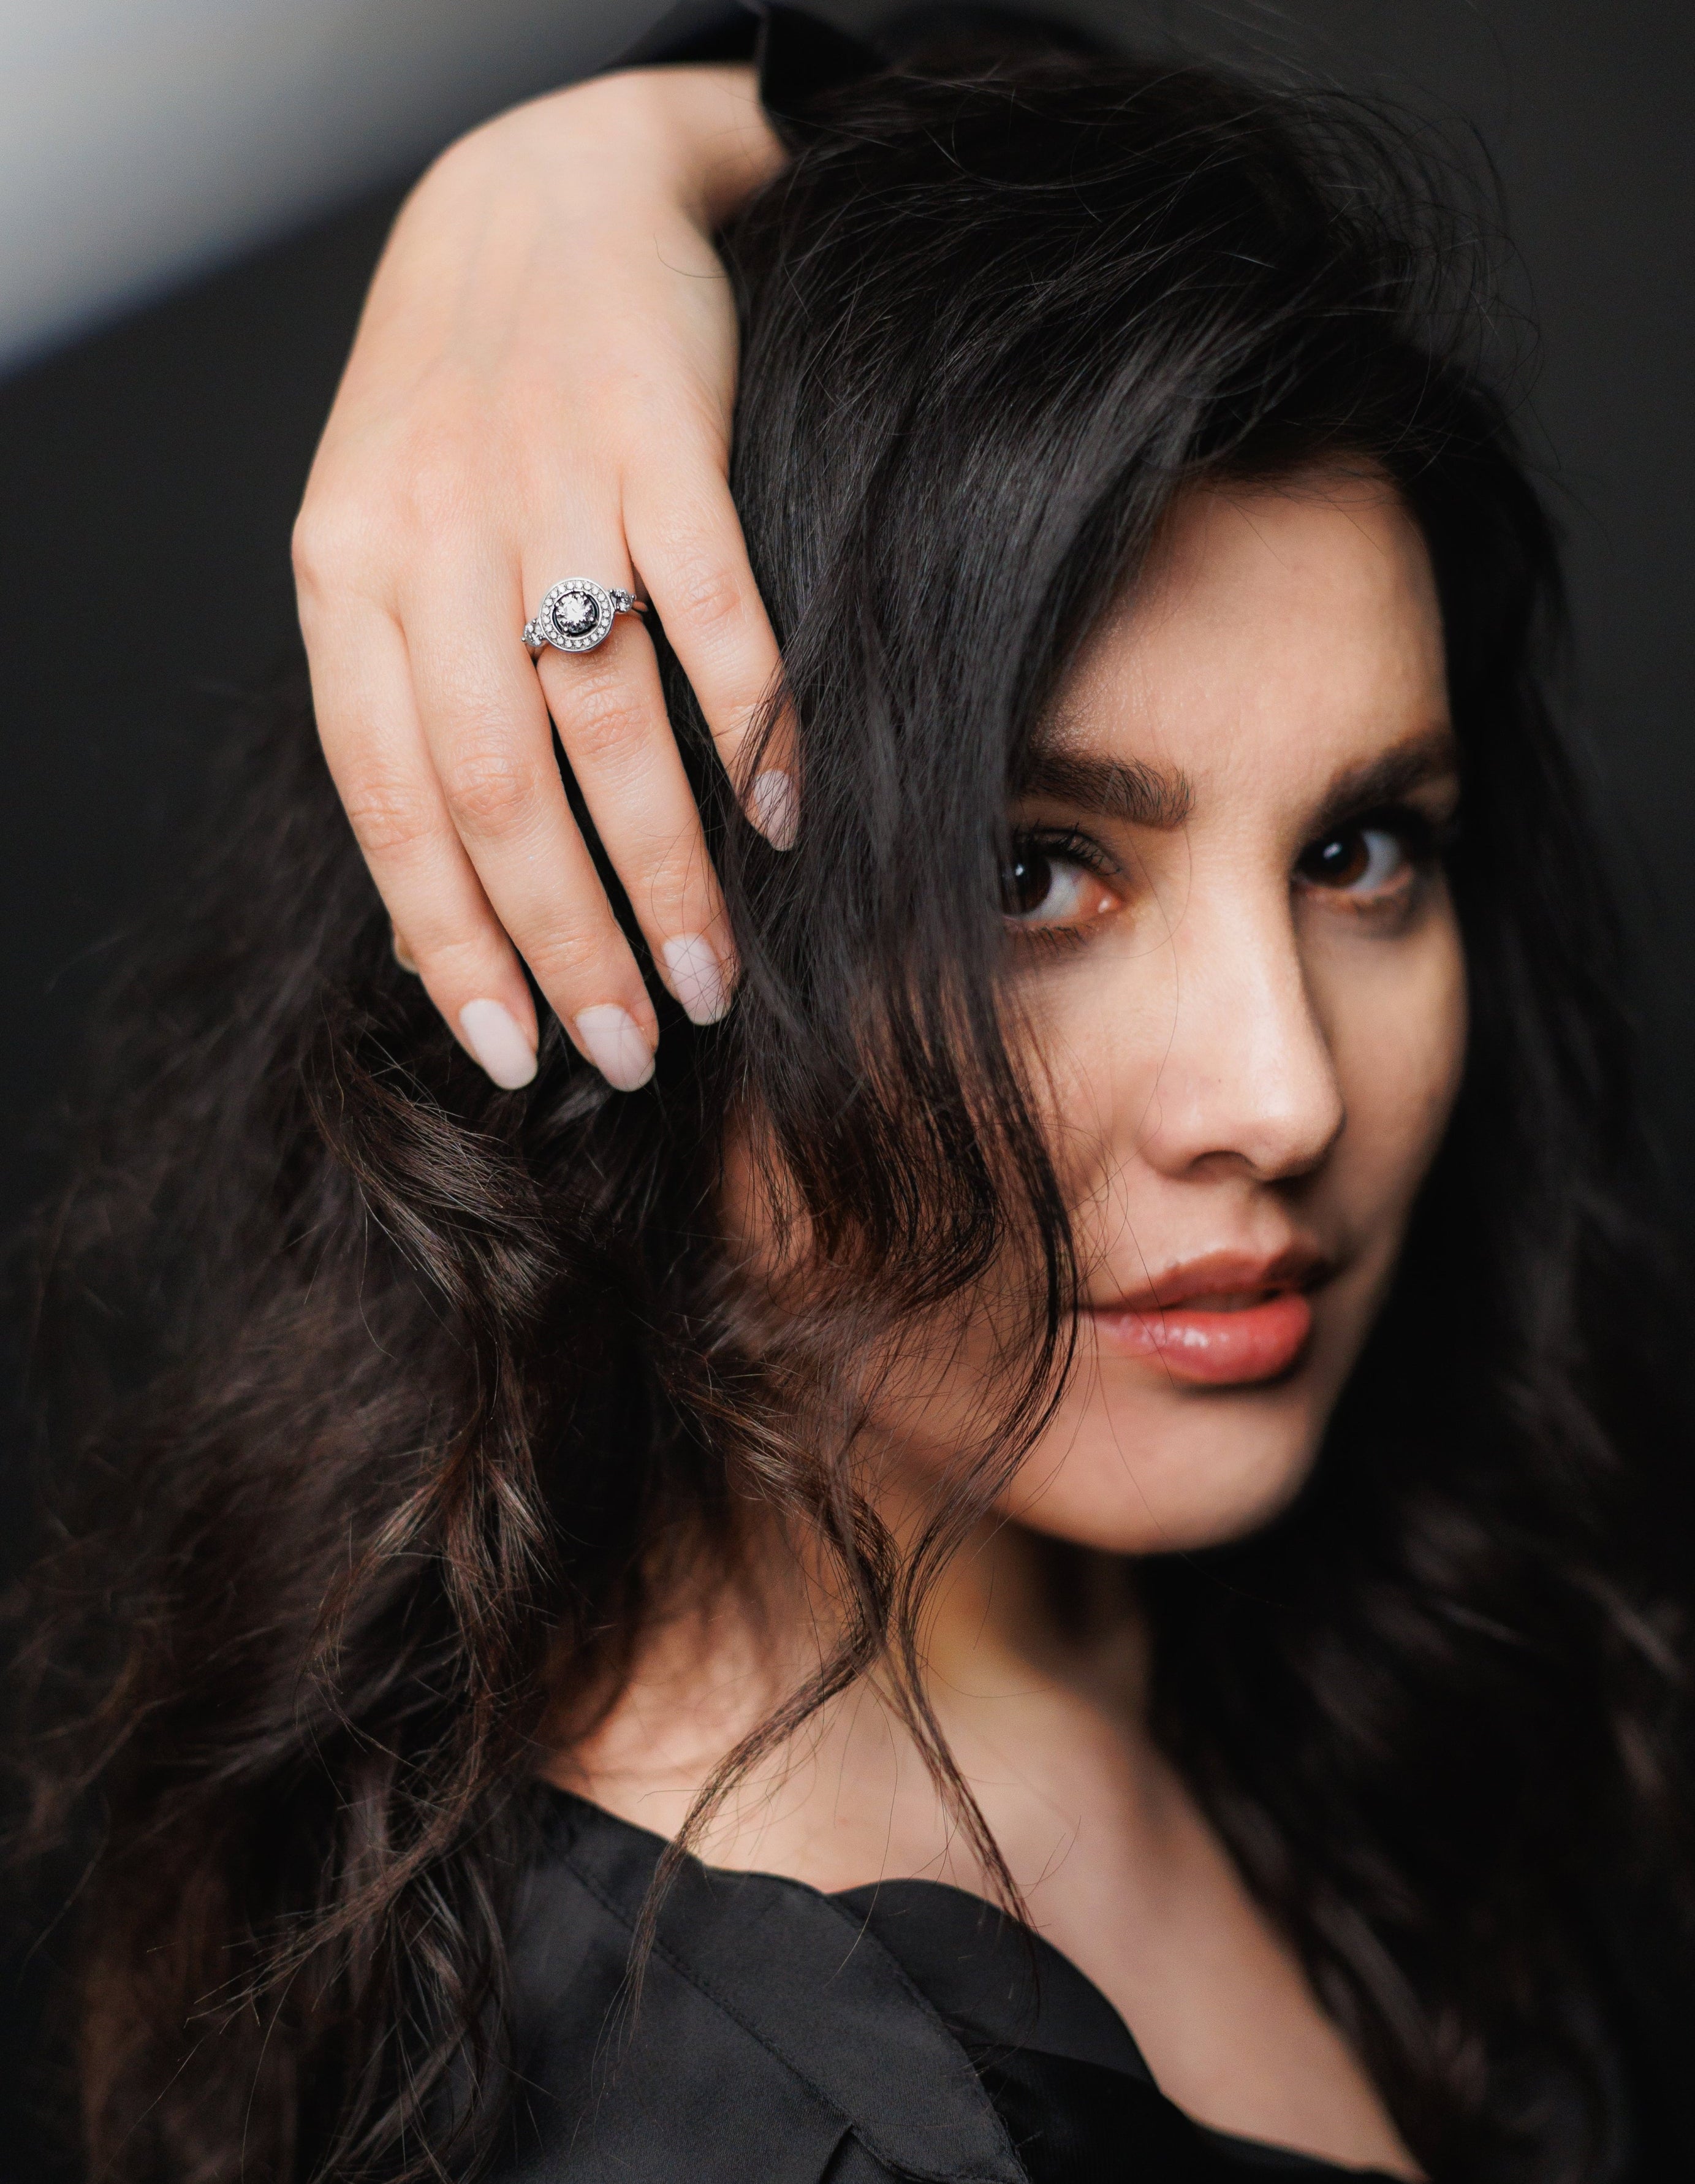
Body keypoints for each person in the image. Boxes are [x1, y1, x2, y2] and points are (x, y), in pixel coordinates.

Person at [16, 10, 1695, 2184]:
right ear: (613, 878)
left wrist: (588, 162)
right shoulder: (763, 2124)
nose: (1279, 1094)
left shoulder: (1328, 1654)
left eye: (1363, 847)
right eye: (1031, 874)